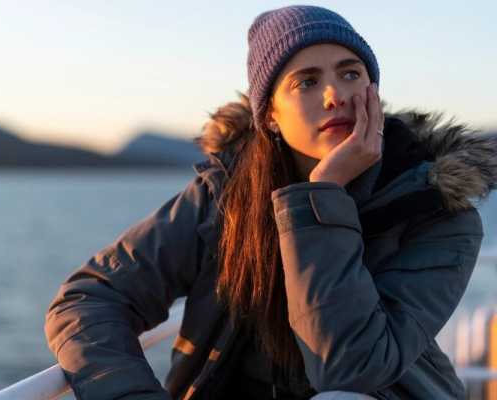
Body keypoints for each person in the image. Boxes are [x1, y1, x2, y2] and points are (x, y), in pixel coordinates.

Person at [44, 5, 497, 399]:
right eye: (307, 81)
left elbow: (350, 367)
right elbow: (91, 298)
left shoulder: (437, 213)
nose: (335, 95)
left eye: (351, 73)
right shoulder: (225, 196)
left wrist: (322, 196)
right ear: (271, 117)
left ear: (374, 92)